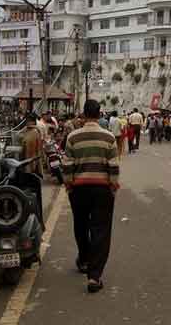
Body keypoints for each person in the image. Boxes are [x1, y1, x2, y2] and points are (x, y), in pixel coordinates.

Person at [63, 99, 120, 293]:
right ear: (99, 113)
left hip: (78, 189)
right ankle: (94, 277)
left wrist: (69, 184)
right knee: (100, 230)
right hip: (102, 189)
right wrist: (113, 185)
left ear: (84, 114)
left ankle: (84, 260)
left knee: (81, 225)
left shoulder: (73, 137)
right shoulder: (109, 137)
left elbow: (67, 164)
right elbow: (113, 165)